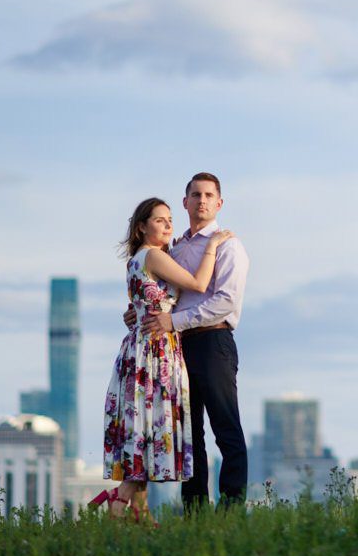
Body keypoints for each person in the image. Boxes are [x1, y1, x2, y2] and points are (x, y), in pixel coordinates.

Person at [93, 196, 233, 522]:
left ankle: (138, 514)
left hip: (142, 350)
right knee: (148, 432)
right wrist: (213, 243)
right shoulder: (153, 256)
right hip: (154, 353)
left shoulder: (139, 260)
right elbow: (198, 283)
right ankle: (119, 502)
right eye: (160, 219)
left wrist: (132, 314)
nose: (169, 224)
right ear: (142, 227)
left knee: (142, 429)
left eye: (170, 218)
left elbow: (142, 306)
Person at [130, 172, 251, 510]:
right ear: (185, 202)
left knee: (225, 427)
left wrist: (173, 320)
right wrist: (140, 313)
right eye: (195, 195)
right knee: (189, 433)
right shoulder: (177, 247)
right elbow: (166, 292)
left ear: (219, 203)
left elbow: (224, 301)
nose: (202, 201)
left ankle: (231, 509)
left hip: (214, 343)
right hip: (178, 348)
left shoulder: (228, 246)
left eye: (209, 195)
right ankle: (195, 512)